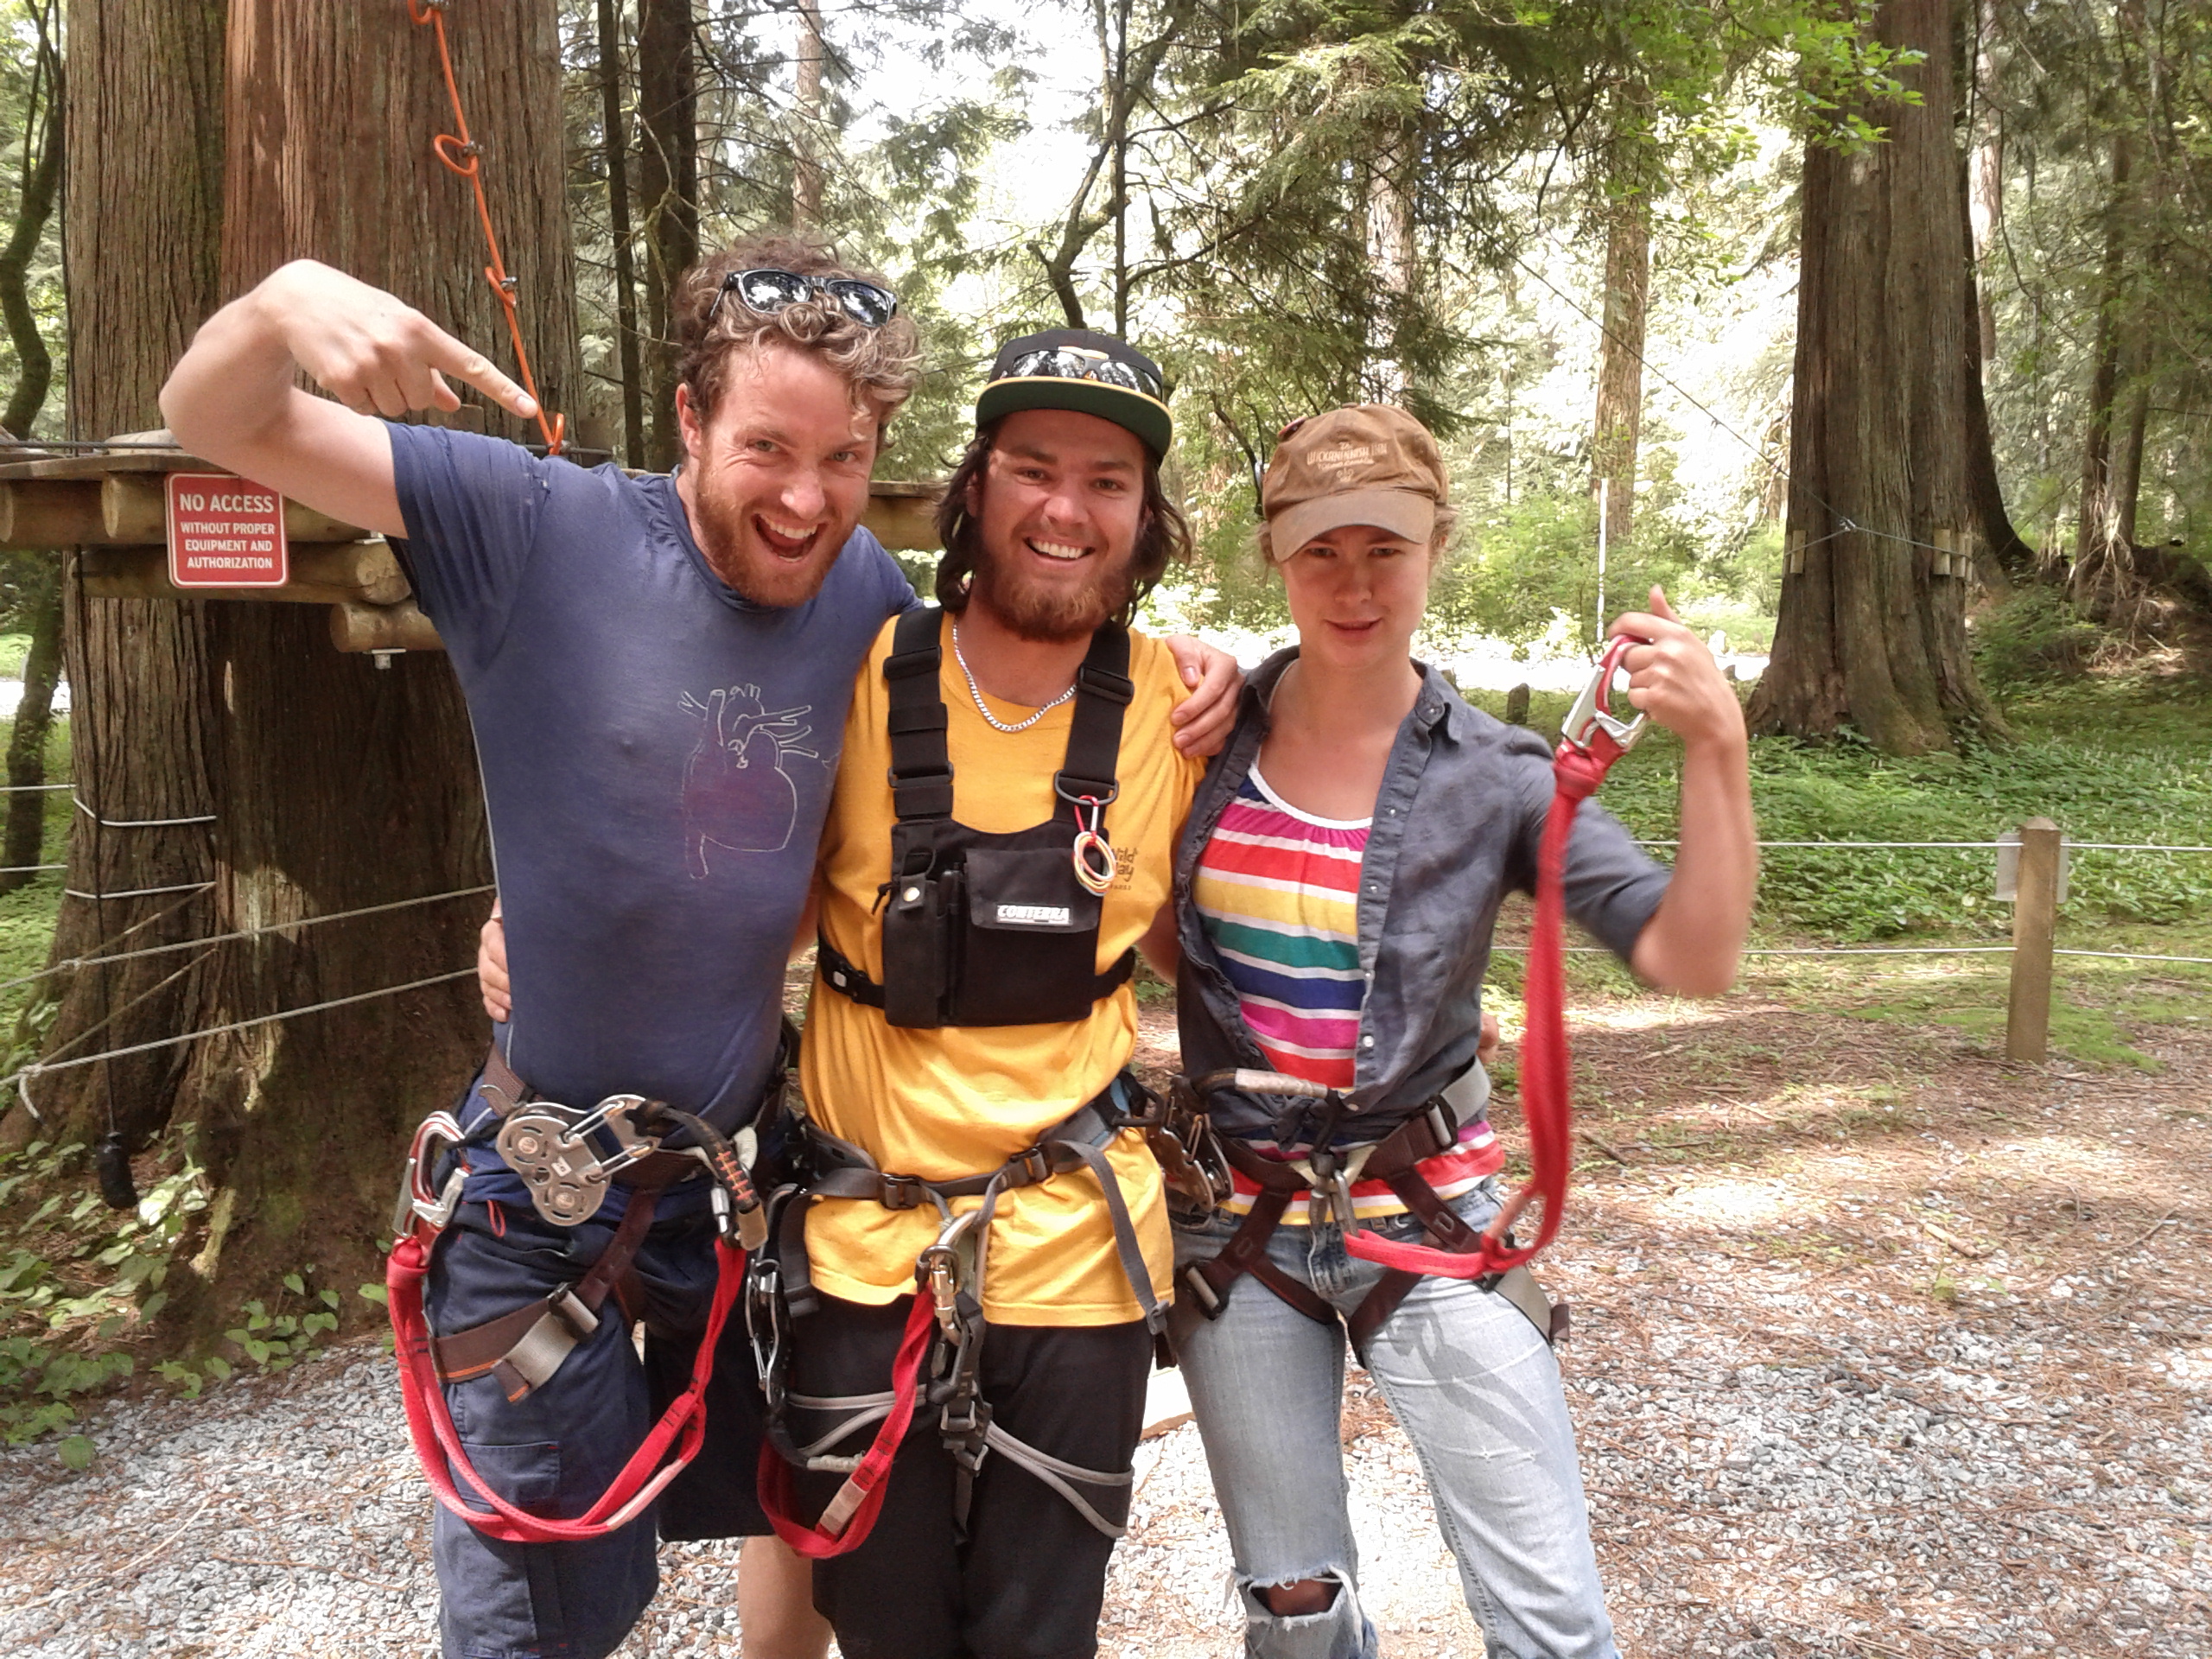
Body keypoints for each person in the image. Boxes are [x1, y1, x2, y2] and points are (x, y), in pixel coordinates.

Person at [159, 244, 1237, 1659]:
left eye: (843, 459)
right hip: (544, 1187)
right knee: (534, 1613)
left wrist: (1203, 669)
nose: (804, 498)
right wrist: (279, 304)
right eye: (767, 448)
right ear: (689, 416)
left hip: (737, 1190)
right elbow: (215, 418)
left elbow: (885, 813)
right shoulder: (529, 521)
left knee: (778, 1530)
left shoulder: (864, 600)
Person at [1165, 404, 1756, 1659]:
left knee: (1549, 1618)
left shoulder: (1500, 777)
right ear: (1276, 555)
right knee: (1295, 1607)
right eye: (1323, 551)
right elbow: (1169, 938)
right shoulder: (1198, 742)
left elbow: (1689, 954)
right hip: (1242, 1228)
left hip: (1430, 1221)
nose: (1355, 585)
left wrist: (1717, 747)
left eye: (1387, 549)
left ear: (1437, 548)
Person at [767, 327, 1208, 1659]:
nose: (1066, 508)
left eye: (1107, 480)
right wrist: (538, 937)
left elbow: (1231, 935)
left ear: (1145, 514)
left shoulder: (1183, 709)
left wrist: (1417, 1010)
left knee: (1041, 1634)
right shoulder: (852, 675)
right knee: (885, 1627)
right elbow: (726, 897)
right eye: (1032, 468)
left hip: (1081, 1254)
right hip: (860, 1246)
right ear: (975, 486)